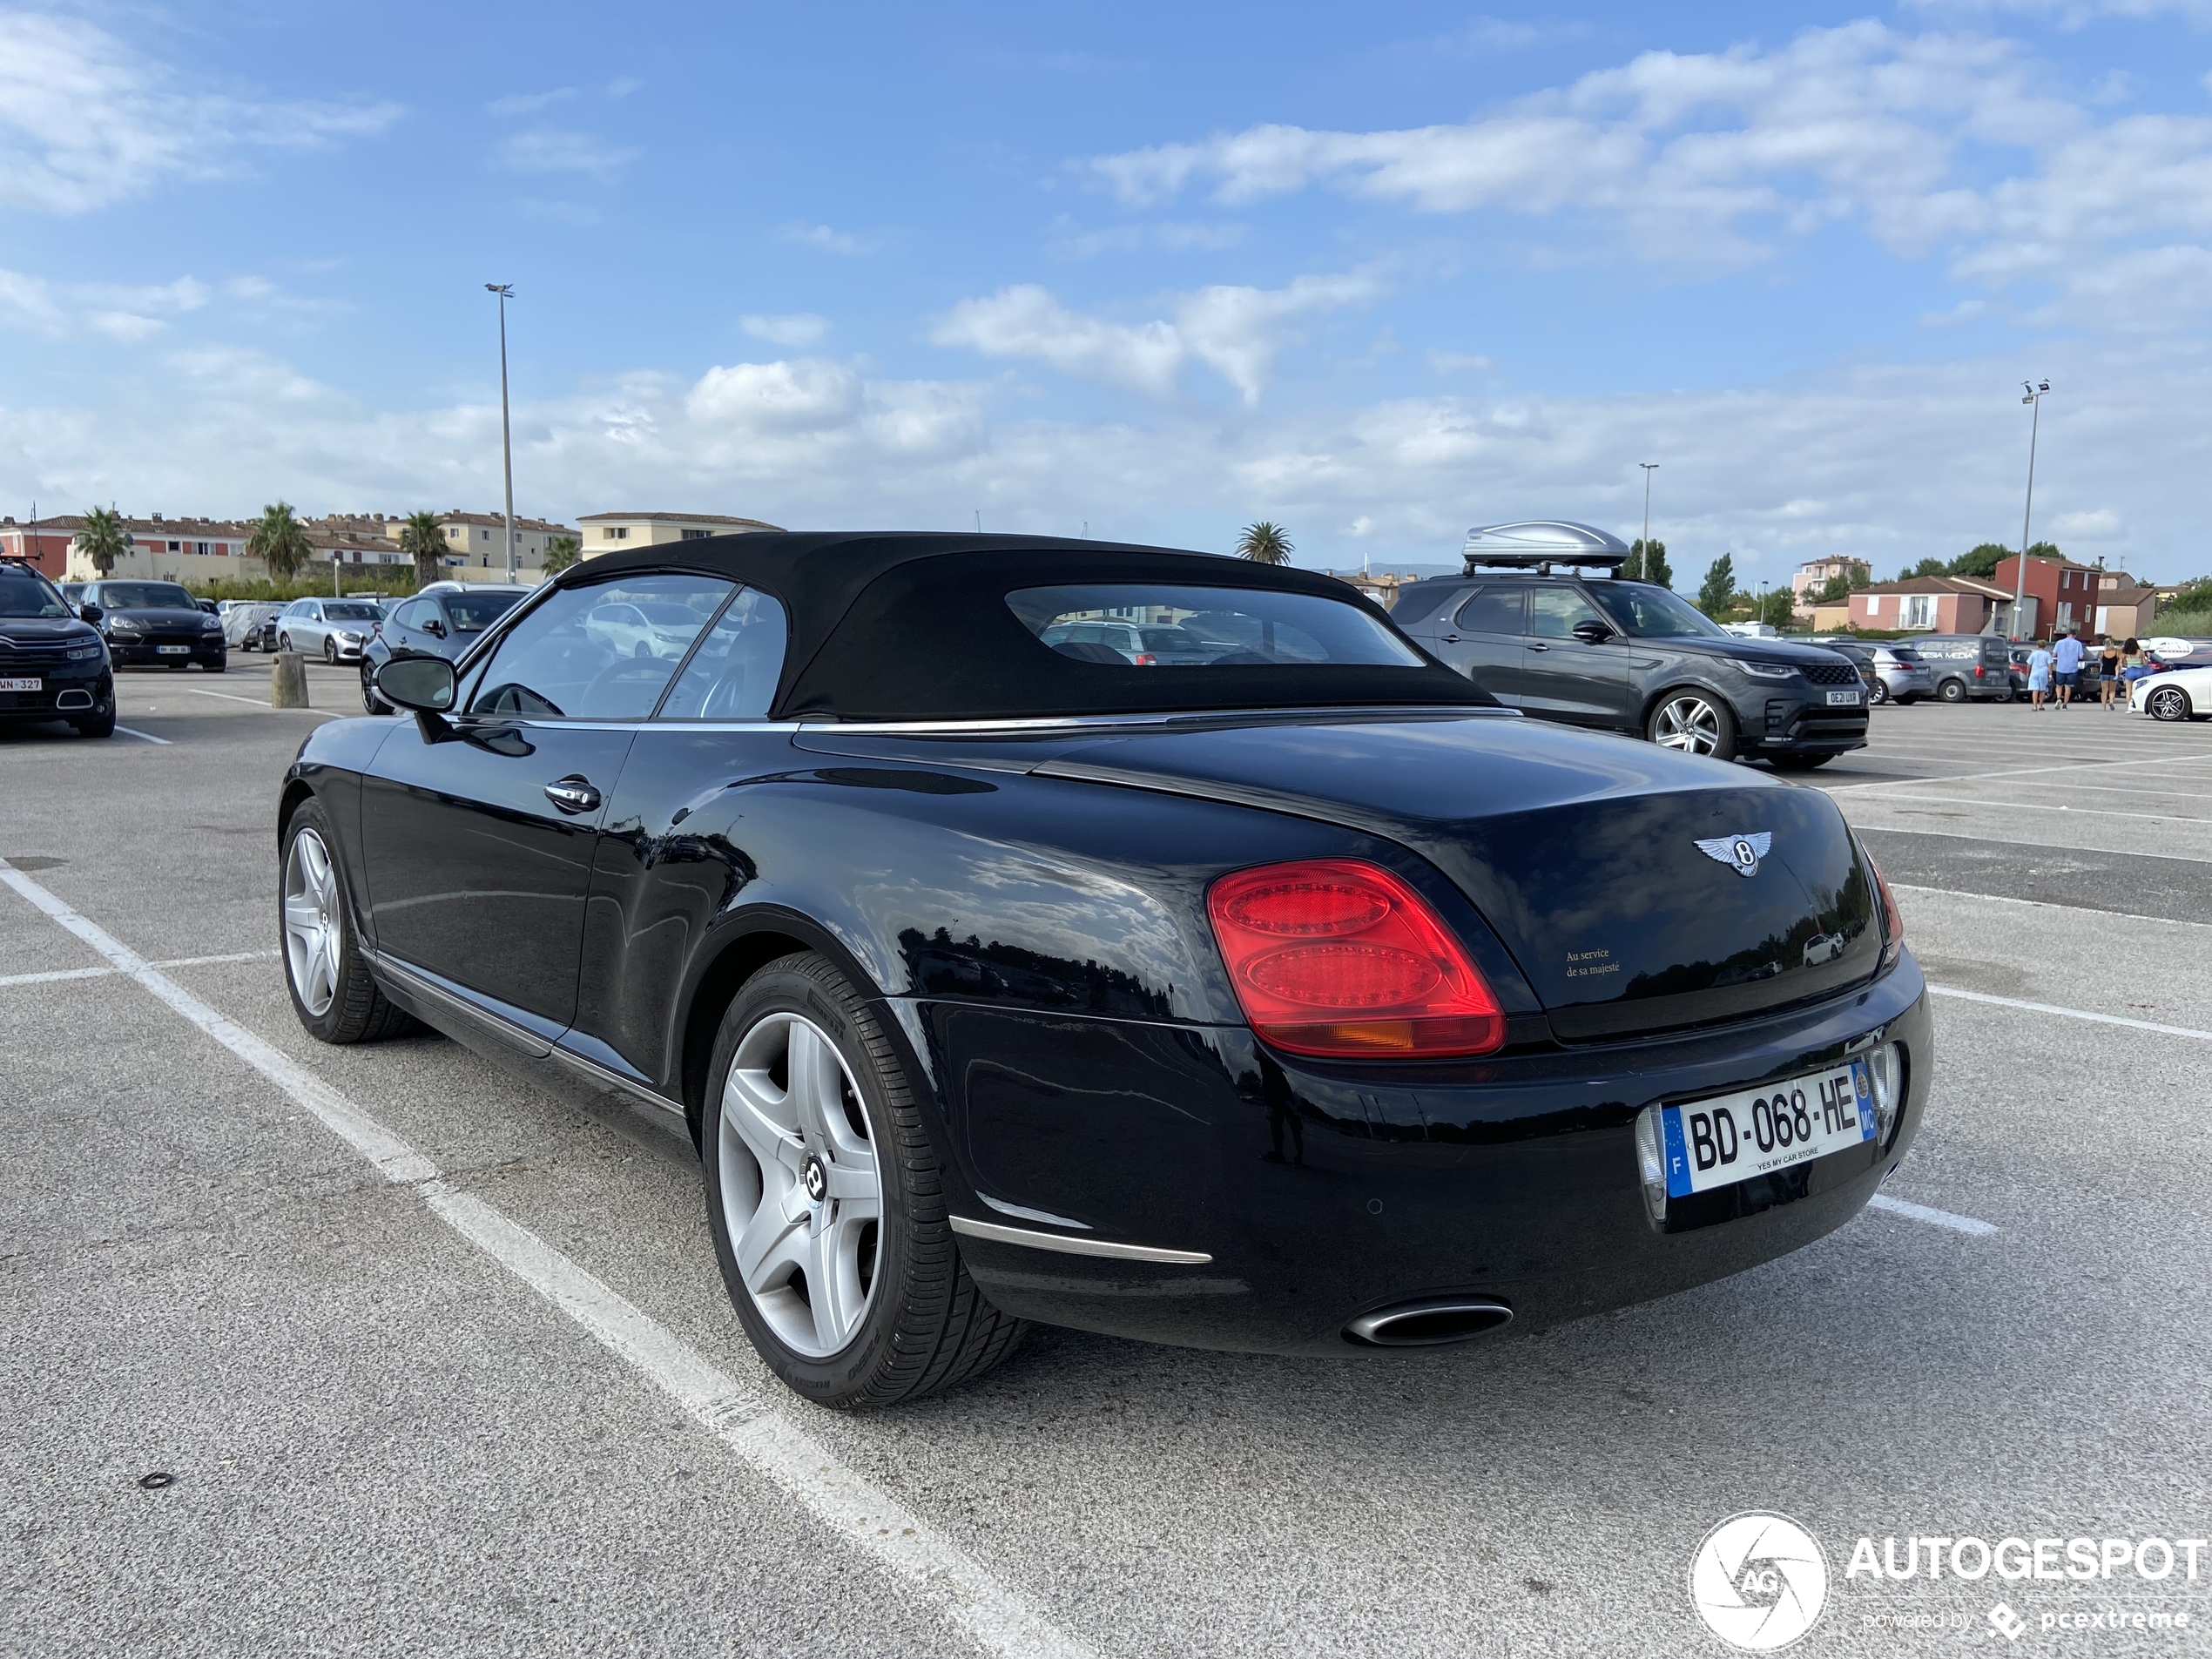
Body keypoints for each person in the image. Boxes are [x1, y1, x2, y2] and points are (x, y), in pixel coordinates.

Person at [2051, 628, 2085, 711]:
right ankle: (2065, 705)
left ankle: (2058, 698)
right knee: (2068, 687)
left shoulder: (2059, 643)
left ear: (2067, 634)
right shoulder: (2078, 644)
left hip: (2061, 667)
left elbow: (2054, 654)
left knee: (2059, 685)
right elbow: (2081, 656)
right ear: (2075, 635)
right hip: (2072, 668)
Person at [2026, 638, 2054, 710]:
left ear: (2038, 646)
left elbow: (2029, 664)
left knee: (2035, 690)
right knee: (2042, 689)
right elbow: (2050, 665)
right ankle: (2041, 705)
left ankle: (2035, 706)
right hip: (2043, 672)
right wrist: (2050, 674)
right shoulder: (2047, 654)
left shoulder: (2033, 654)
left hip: (2034, 672)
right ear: (2045, 646)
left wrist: (2028, 672)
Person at [2100, 635, 2123, 710]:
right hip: (2113, 673)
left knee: (2104, 691)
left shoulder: (2102, 653)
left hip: (2104, 673)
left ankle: (2103, 706)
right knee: (2112, 690)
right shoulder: (2117, 652)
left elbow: (2101, 662)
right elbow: (2120, 661)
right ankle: (2111, 701)